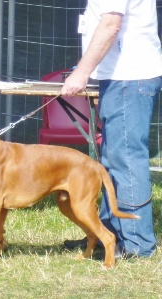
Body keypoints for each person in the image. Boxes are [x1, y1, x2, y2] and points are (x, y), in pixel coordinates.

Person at [61, 0, 162, 258]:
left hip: (128, 78)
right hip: (118, 77)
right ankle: (106, 235)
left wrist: (83, 73)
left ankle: (137, 245)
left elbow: (110, 24)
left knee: (125, 160)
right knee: (110, 161)